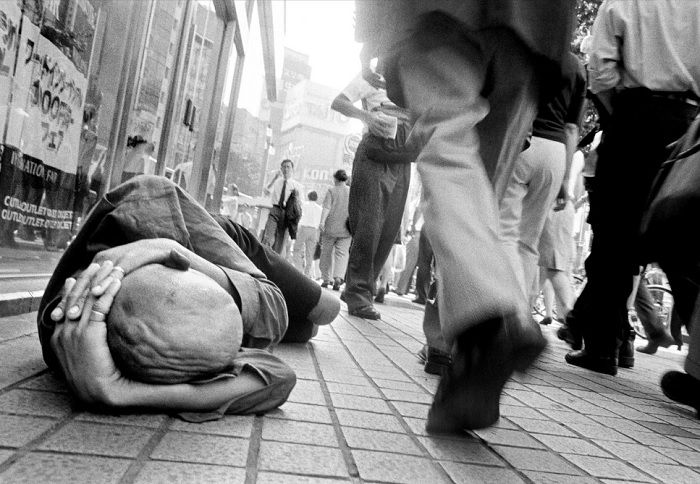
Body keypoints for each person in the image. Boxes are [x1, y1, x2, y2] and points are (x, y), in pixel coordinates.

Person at [355, 1, 575, 430]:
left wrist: (372, 26)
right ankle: (471, 362)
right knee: (484, 196)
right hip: (534, 27)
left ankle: (489, 324)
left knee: (448, 151)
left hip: (439, 11)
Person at [40, 176, 309, 419]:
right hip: (211, 288)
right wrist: (118, 392)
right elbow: (279, 375)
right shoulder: (88, 349)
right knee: (307, 328)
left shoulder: (153, 198)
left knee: (324, 310)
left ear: (179, 266)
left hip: (226, 244)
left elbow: (274, 306)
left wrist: (171, 249)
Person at [563, 0, 700, 376]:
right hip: (688, 123)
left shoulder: (623, 1)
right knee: (681, 237)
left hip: (633, 118)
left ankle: (603, 348)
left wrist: (618, 114)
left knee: (613, 236)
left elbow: (602, 70)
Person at [499, 52, 587, 307]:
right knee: (528, 241)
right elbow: (572, 128)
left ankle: (496, 307)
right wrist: (564, 179)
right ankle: (520, 310)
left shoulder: (528, 51)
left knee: (504, 231)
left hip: (521, 142)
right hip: (555, 152)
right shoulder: (577, 68)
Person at [331, 73, 413, 320]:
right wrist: (367, 117)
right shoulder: (370, 77)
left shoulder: (417, 78)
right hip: (375, 152)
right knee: (369, 226)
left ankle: (359, 286)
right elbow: (338, 101)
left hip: (404, 158)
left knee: (389, 229)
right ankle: (358, 293)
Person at [538, 150, 586, 325]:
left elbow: (571, 185)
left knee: (554, 267)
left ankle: (573, 321)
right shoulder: (572, 154)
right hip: (560, 206)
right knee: (548, 268)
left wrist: (567, 191)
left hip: (558, 206)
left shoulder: (574, 155)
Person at [262, 159, 303, 255]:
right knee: (268, 236)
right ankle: (264, 256)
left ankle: (275, 260)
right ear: (281, 168)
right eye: (283, 167)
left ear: (292, 169)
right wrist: (274, 178)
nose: (286, 169)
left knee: (280, 240)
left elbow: (301, 203)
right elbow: (266, 192)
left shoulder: (297, 186)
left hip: (287, 213)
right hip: (275, 209)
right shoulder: (277, 182)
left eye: (288, 167)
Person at [319, 169, 351, 291]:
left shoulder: (331, 190)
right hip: (346, 228)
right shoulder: (351, 191)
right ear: (346, 179)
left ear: (335, 179)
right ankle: (338, 278)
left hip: (331, 227)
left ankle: (326, 279)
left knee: (326, 252)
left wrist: (322, 222)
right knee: (342, 254)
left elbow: (326, 207)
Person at [292, 191, 322, 277]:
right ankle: (307, 272)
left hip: (304, 228)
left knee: (297, 249)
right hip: (314, 231)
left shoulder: (304, 205)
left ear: (308, 196)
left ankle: (299, 269)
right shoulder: (320, 208)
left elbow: (299, 216)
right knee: (310, 252)